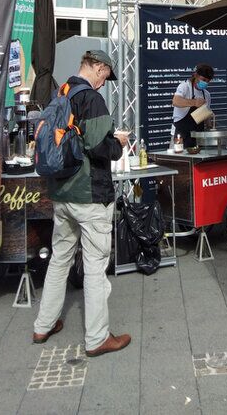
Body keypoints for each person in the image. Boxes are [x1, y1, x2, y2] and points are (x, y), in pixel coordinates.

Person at [33, 50, 131, 356]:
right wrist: (120, 142)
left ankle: (44, 325)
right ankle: (98, 338)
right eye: (105, 75)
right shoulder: (92, 99)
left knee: (60, 259)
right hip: (90, 196)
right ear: (99, 67)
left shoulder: (60, 93)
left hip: (62, 194)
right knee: (94, 267)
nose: (104, 83)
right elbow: (102, 148)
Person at [171, 63, 214, 148]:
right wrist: (194, 102)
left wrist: (211, 124)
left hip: (197, 137)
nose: (205, 83)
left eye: (208, 81)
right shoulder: (185, 86)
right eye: (203, 79)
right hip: (181, 134)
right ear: (196, 75)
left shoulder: (206, 95)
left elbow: (205, 118)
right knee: (178, 158)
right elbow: (175, 101)